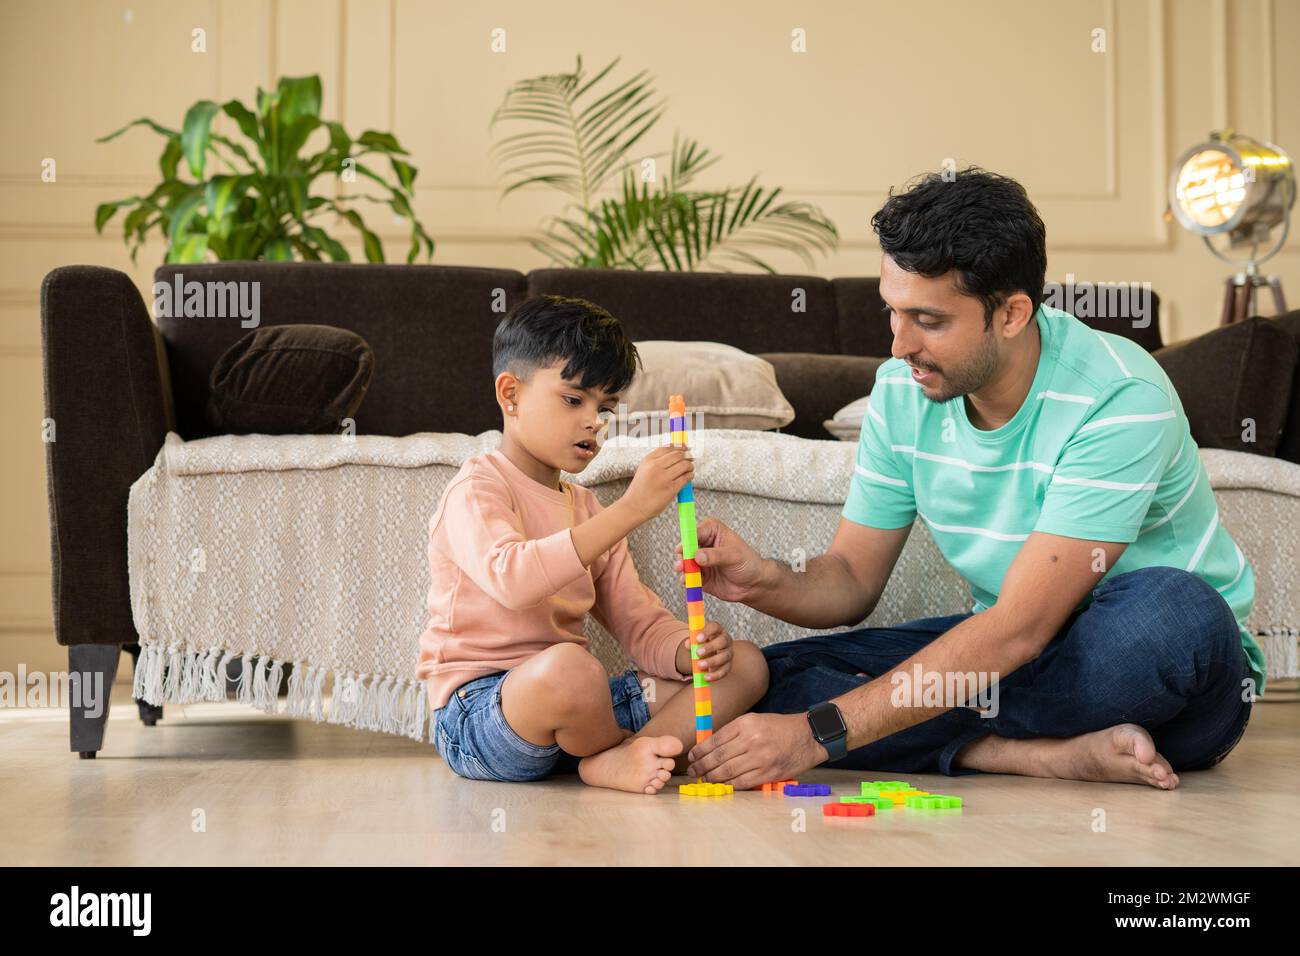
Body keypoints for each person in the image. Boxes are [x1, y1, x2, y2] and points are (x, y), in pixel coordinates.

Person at [678, 167, 1262, 792]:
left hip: (1149, 670)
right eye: (892, 312)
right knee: (765, 676)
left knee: (1175, 619)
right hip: (1012, 658)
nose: (899, 346)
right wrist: (767, 578)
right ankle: (1026, 754)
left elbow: (1020, 628)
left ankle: (958, 733)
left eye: (928, 321)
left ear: (1011, 314)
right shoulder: (899, 392)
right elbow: (849, 580)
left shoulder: (1119, 395)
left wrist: (817, 734)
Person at [417, 294, 769, 793]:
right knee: (570, 670)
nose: (593, 421)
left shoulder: (586, 509)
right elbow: (513, 580)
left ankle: (626, 754)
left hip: (581, 714)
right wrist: (632, 508)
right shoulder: (477, 488)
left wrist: (687, 653)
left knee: (747, 664)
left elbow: (637, 622)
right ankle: (613, 756)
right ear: (510, 394)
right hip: (484, 716)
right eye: (573, 399)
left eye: (605, 407)